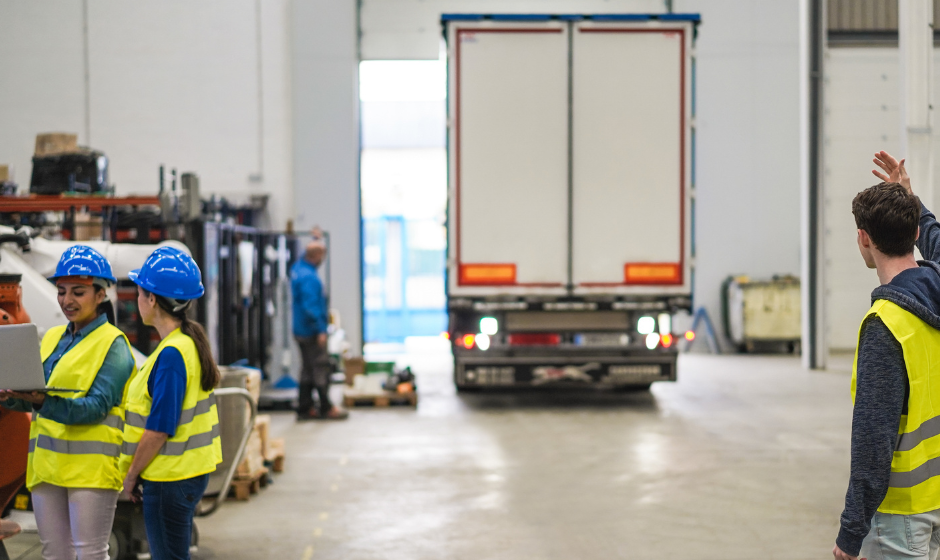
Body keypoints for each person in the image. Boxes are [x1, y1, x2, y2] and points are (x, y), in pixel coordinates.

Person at [833, 152, 940, 560]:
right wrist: (914, 200)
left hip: (901, 517)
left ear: (863, 237)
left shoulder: (886, 324)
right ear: (915, 232)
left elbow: (873, 440)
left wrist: (851, 531)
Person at [0, 245, 136, 560]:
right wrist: (12, 397)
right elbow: (35, 400)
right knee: (55, 555)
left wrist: (42, 401)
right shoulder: (51, 339)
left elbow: (96, 407)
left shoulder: (114, 346)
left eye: (78, 292)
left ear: (101, 295)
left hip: (89, 472)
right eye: (61, 291)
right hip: (48, 469)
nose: (67, 300)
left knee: (89, 554)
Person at [119, 246, 222, 560]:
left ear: (151, 298)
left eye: (138, 292)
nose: (137, 301)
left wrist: (131, 475)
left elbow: (159, 429)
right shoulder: (186, 343)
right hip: (183, 474)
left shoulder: (172, 355)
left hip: (169, 479)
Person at [290, 229, 347, 420]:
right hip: (310, 330)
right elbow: (311, 306)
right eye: (321, 255)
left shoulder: (298, 269)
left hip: (300, 329)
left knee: (307, 368)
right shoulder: (310, 278)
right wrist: (320, 330)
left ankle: (305, 407)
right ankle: (326, 407)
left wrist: (316, 239)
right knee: (320, 366)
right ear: (316, 256)